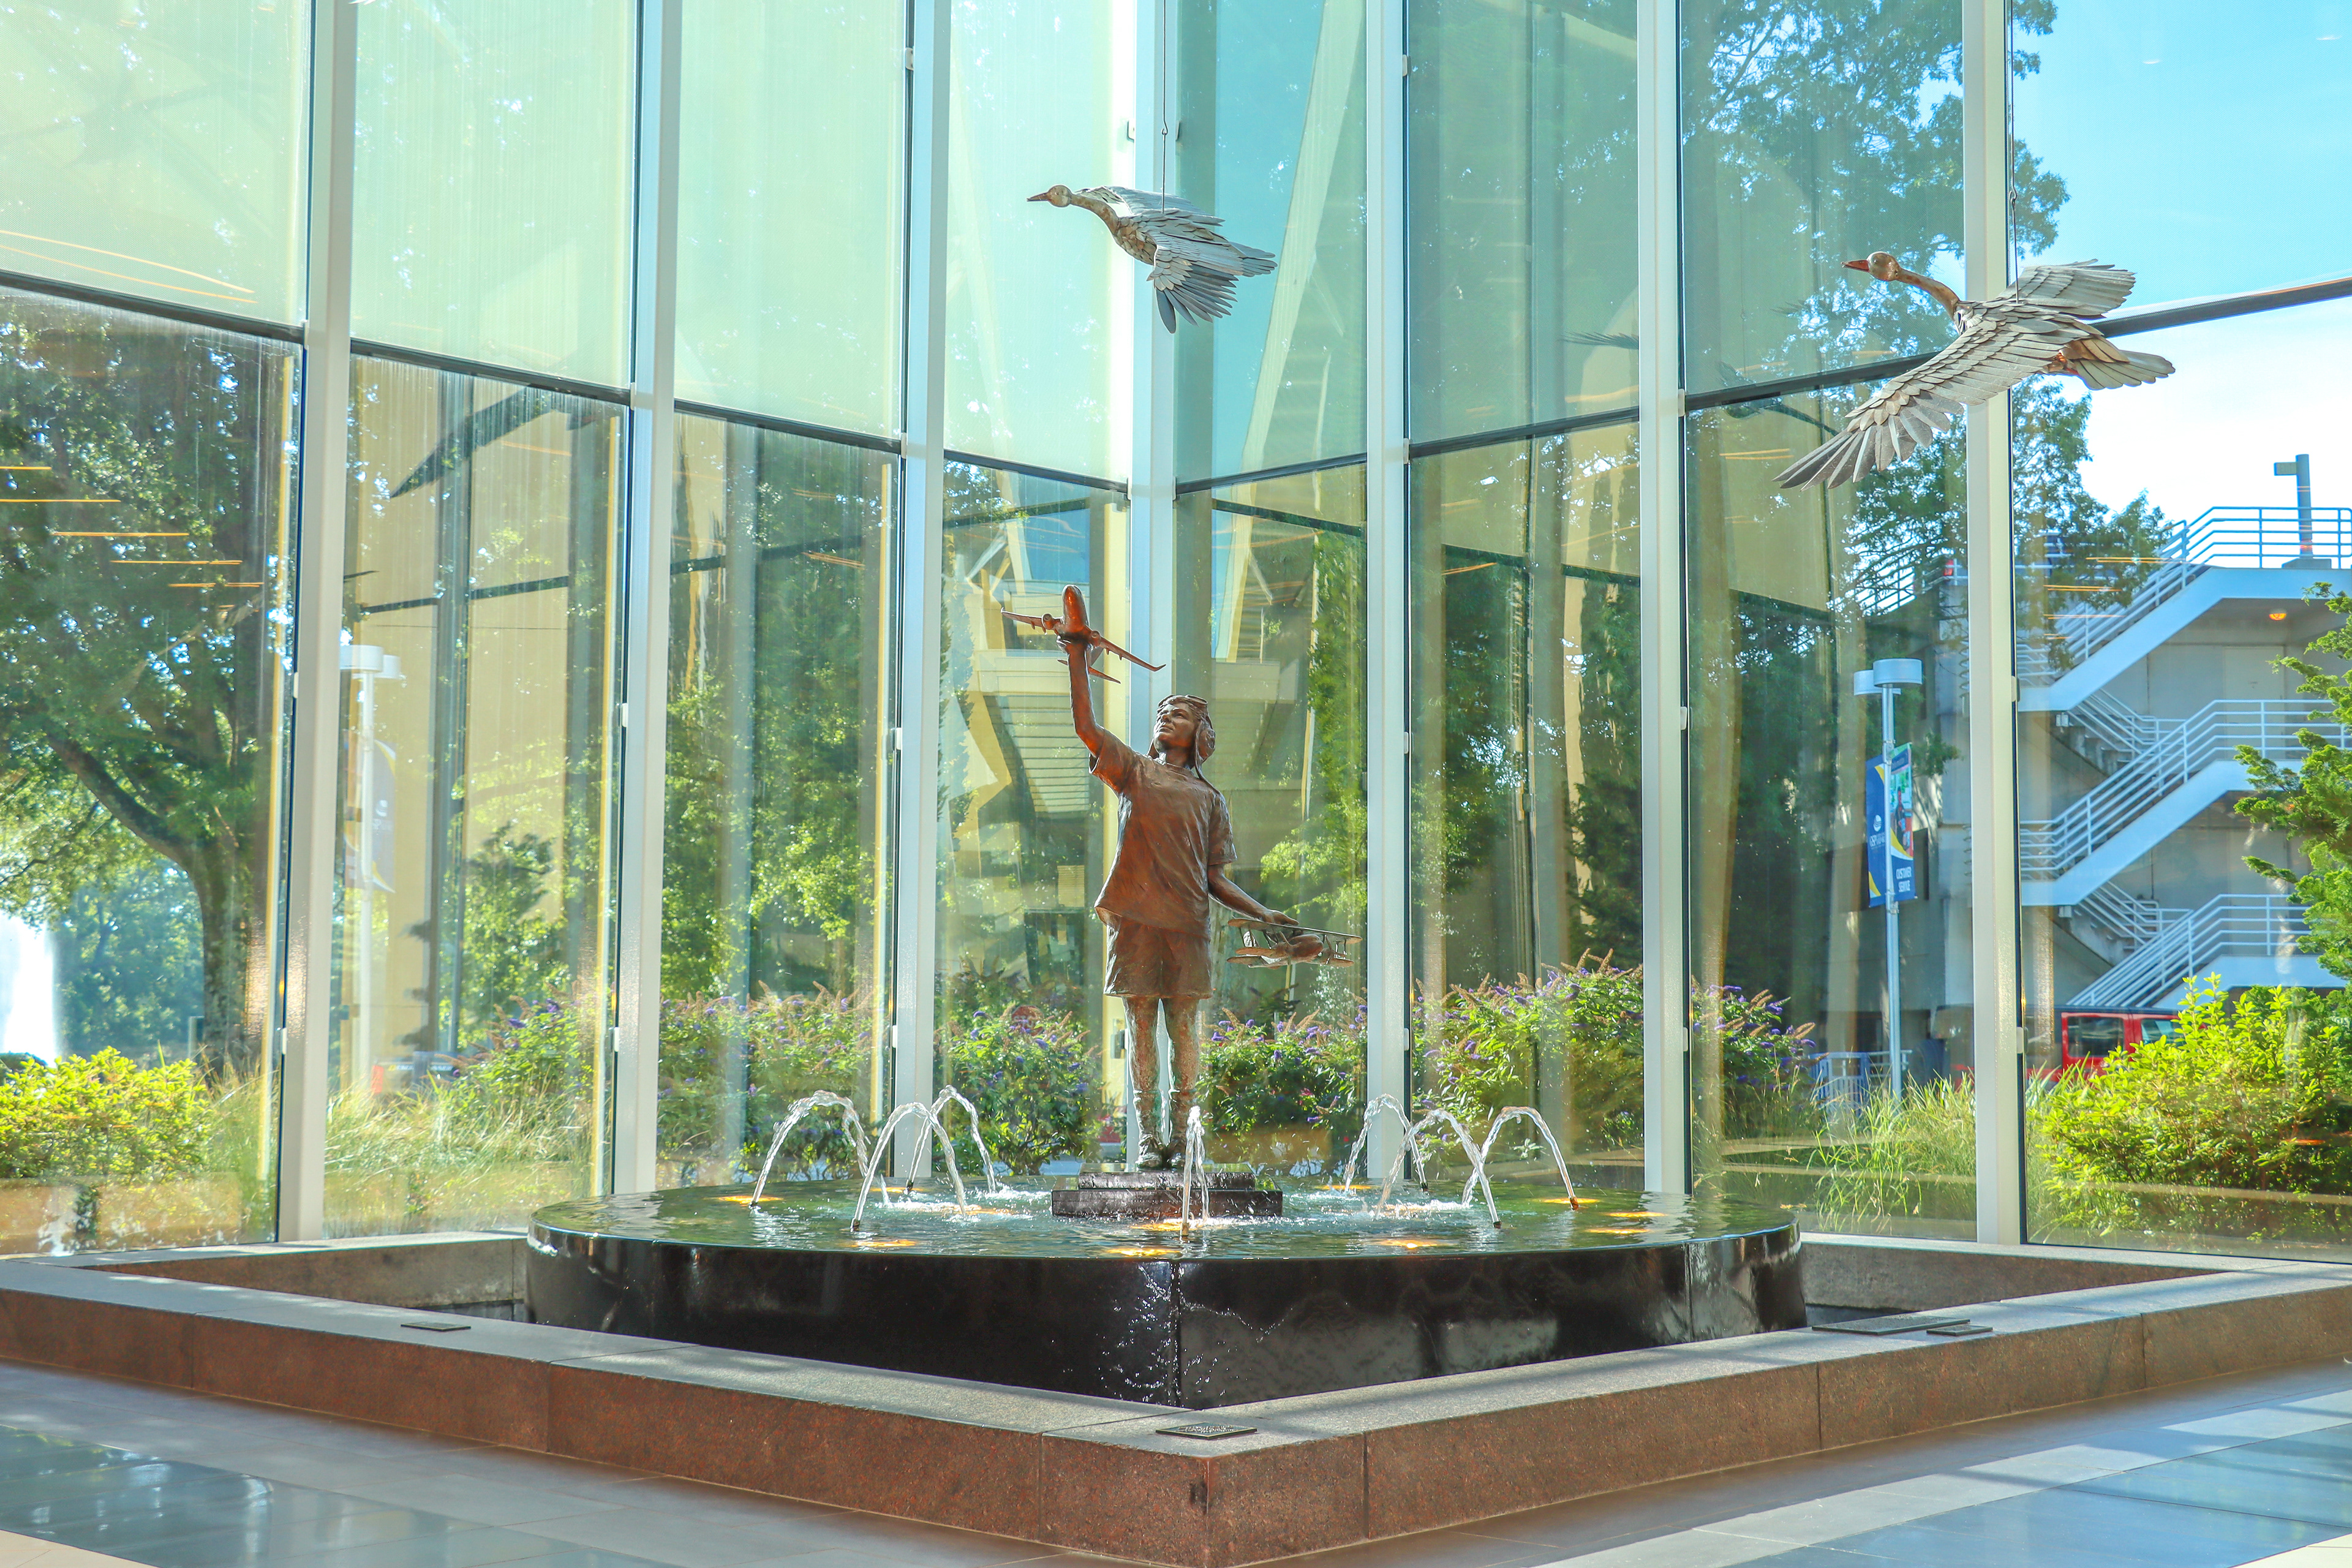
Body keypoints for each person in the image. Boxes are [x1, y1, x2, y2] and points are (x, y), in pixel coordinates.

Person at [1060, 631, 1314, 1166]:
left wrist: (1263, 912)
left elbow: (1216, 880)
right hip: (1136, 920)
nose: (1166, 718)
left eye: (1178, 714)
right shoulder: (1134, 771)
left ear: (1200, 734)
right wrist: (1078, 657)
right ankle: (1148, 1139)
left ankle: (1182, 1139)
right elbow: (1086, 727)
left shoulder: (1211, 800)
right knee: (1140, 1027)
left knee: (1183, 1030)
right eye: (1163, 713)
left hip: (1188, 925)